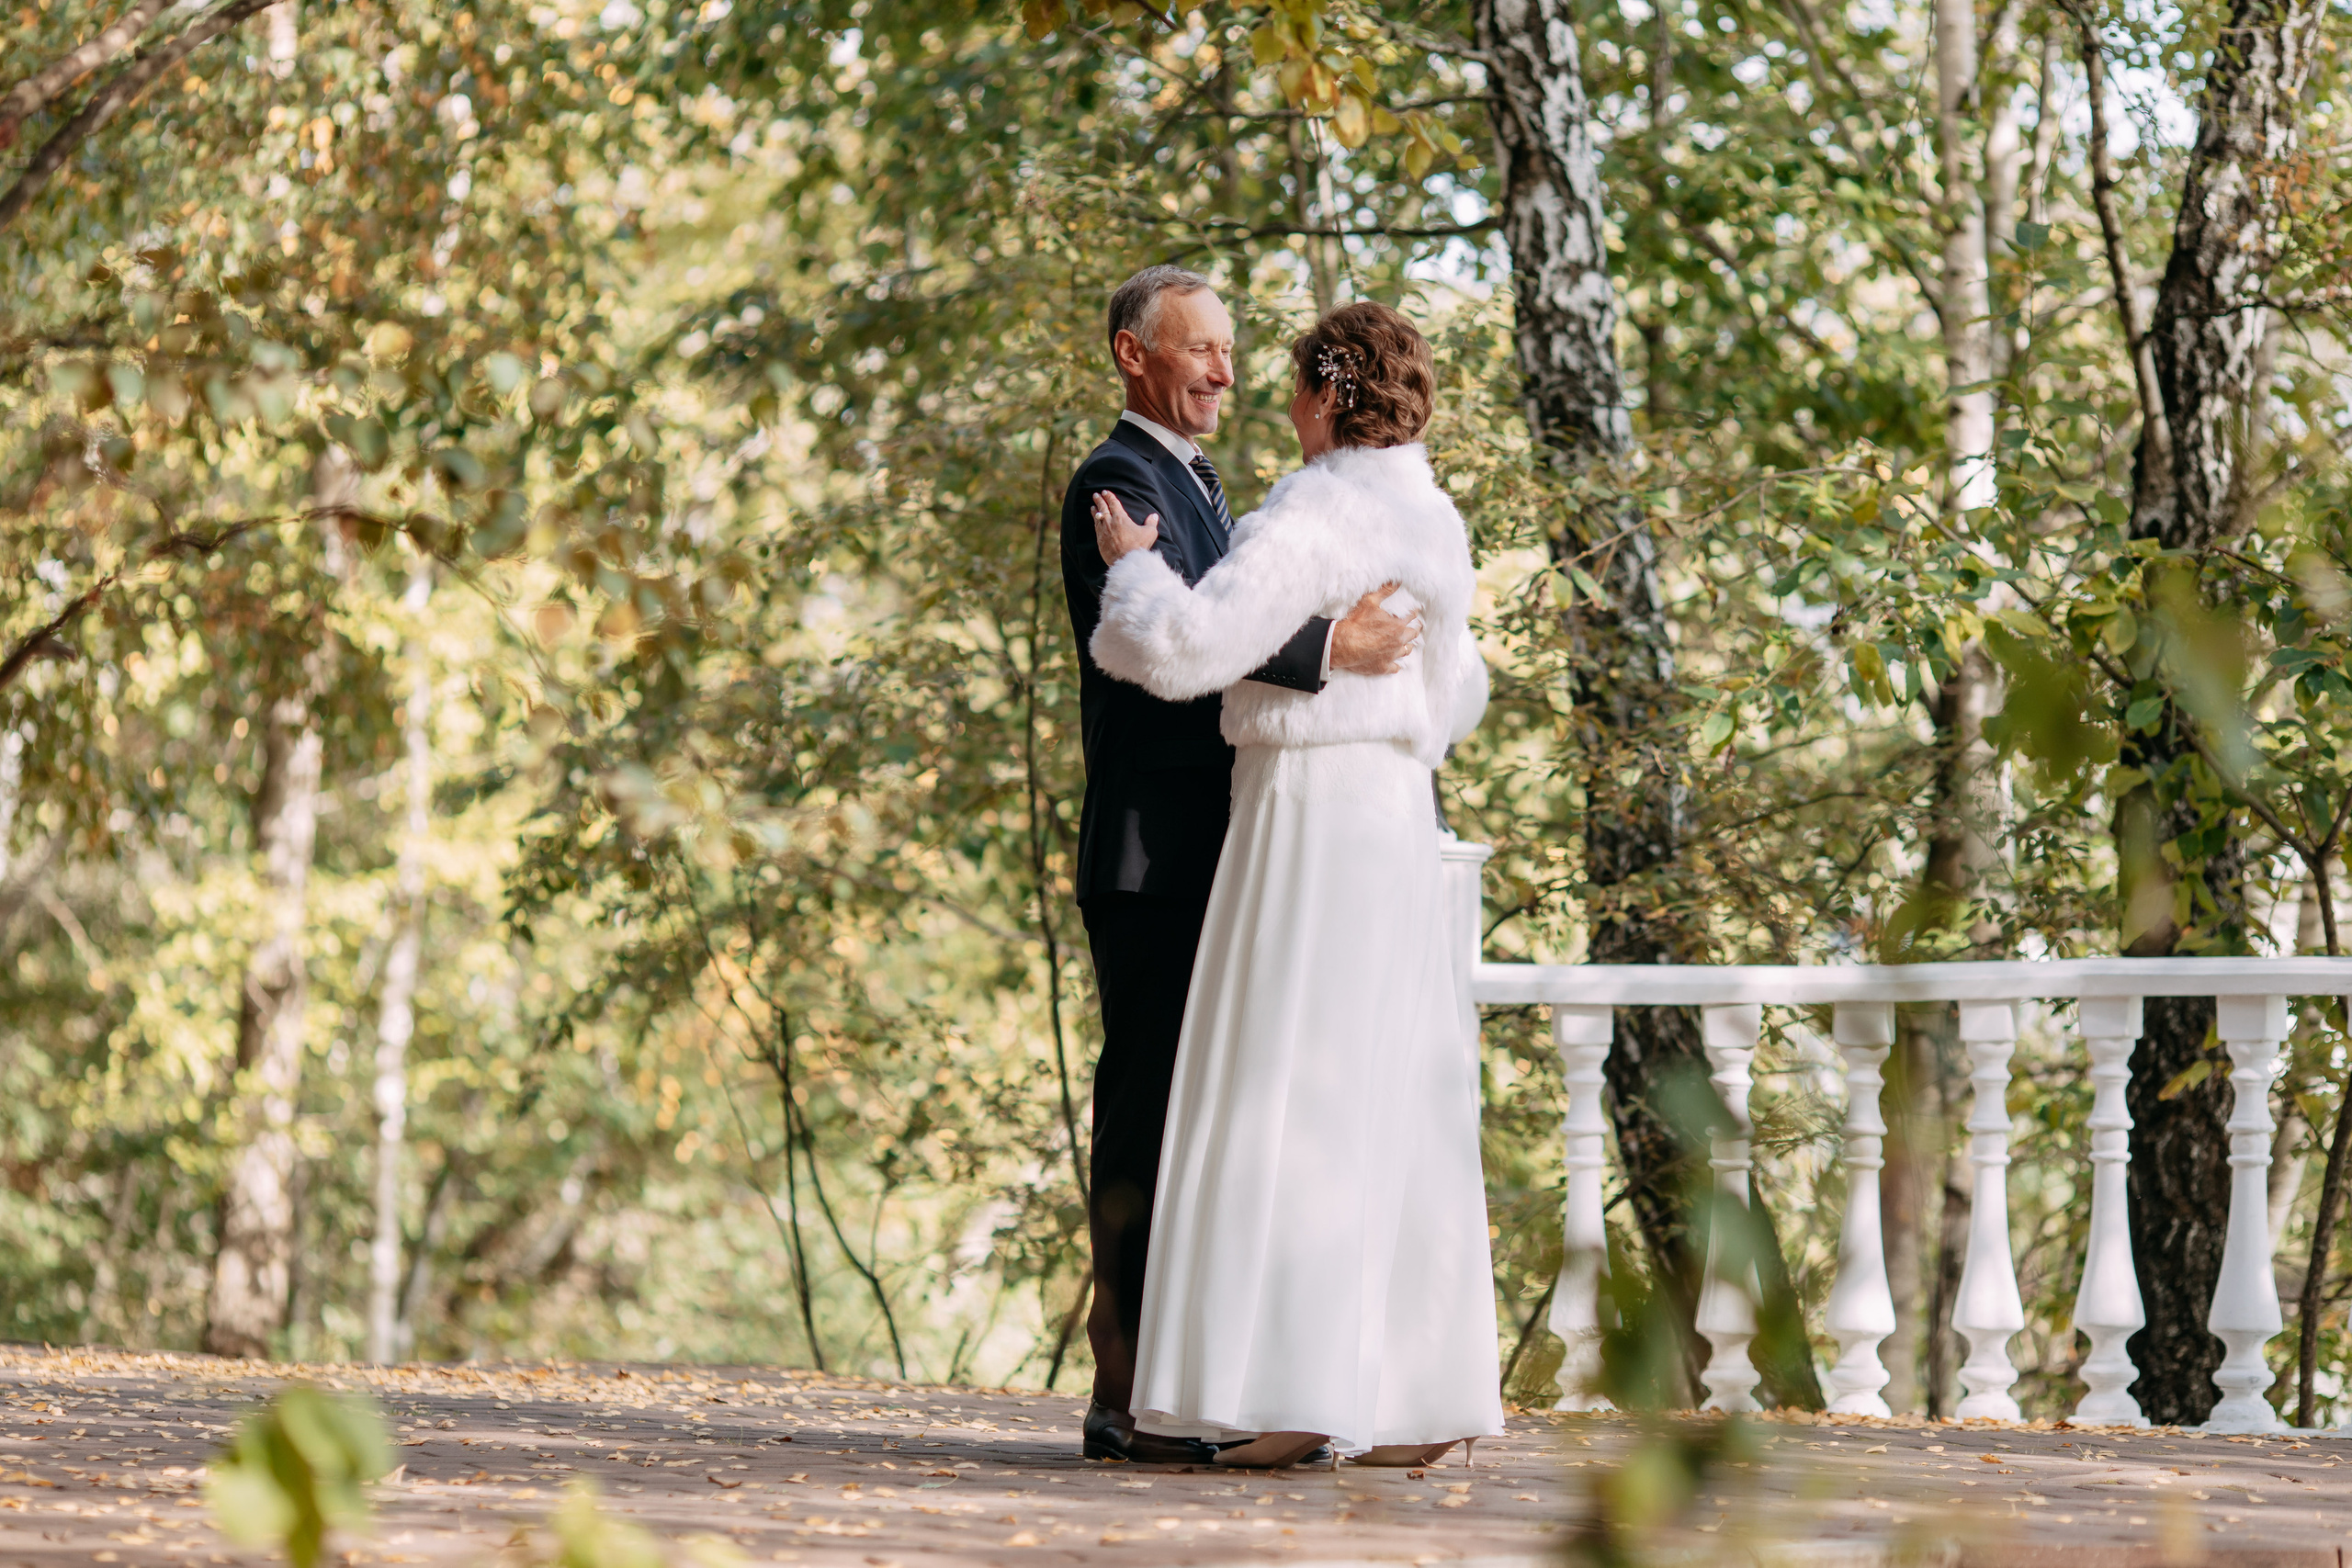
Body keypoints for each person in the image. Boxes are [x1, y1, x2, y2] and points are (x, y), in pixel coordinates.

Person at [1087, 300, 1501, 1468]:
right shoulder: (1433, 516)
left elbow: (1173, 649)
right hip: (1394, 818)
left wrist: (1136, 570)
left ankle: (1301, 1398)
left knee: (1290, 1090)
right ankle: (1419, 1399)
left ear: (1328, 395)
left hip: (1307, 817)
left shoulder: (1316, 511)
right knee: (1390, 1092)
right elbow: (1459, 695)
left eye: (1290, 385)